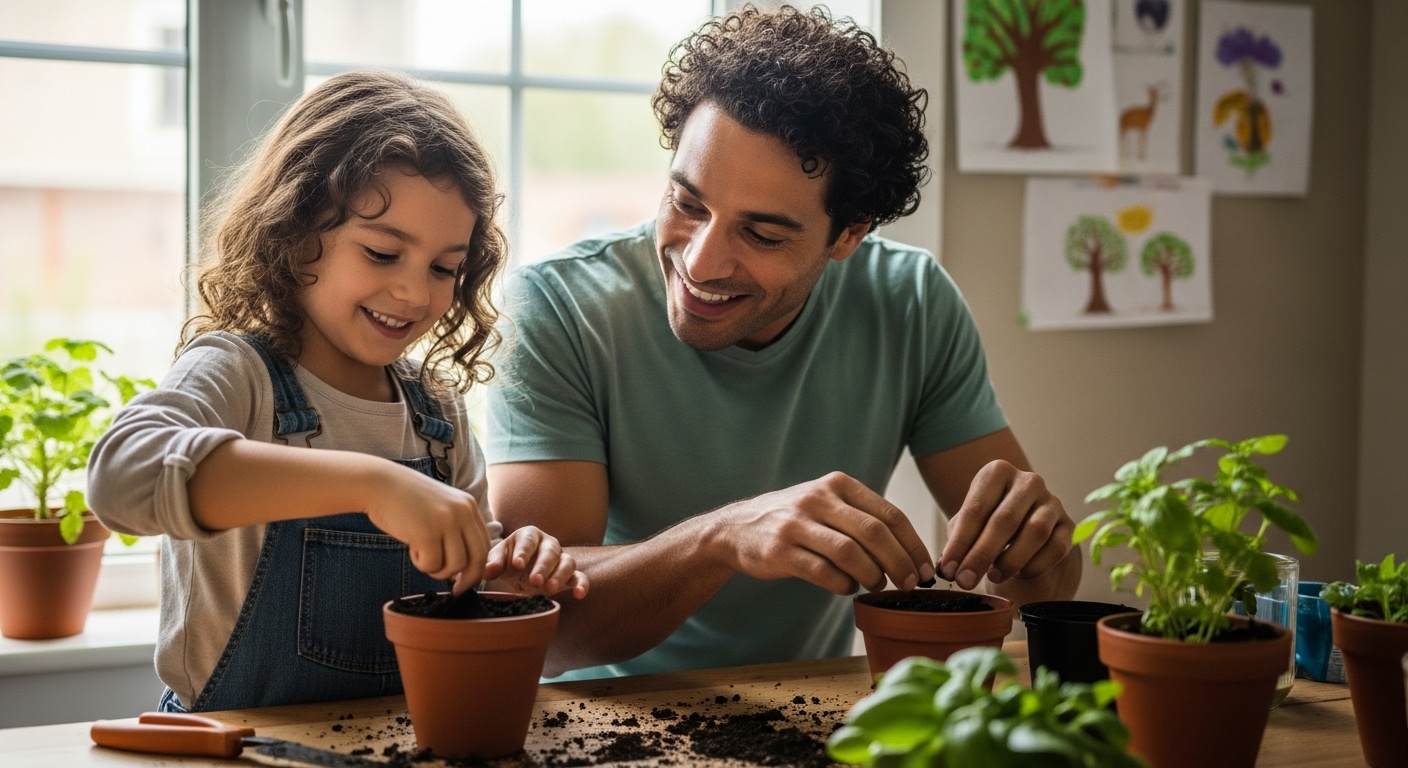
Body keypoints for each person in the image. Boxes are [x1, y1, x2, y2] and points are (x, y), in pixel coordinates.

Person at [485, 6, 1080, 682]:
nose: (702, 263)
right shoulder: (559, 308)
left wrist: (1042, 551)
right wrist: (724, 538)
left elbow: (1036, 593)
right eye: (687, 203)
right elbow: (538, 623)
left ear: (849, 235)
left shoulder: (912, 304)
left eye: (761, 235)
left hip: (809, 703)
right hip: (596, 717)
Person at [87, 71, 587, 712]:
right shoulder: (240, 374)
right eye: (382, 253)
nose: (414, 292)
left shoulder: (436, 416)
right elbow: (120, 478)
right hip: (228, 750)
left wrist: (507, 573)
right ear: (295, 233)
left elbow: (474, 579)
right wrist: (372, 485)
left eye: (443, 268)